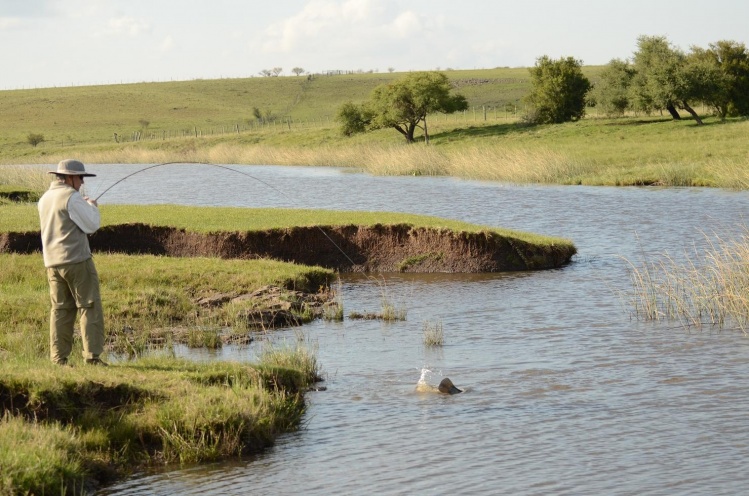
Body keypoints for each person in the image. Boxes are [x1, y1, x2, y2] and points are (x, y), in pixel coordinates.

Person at [38, 159, 107, 366]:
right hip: (76, 260)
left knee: (60, 310)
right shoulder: (71, 197)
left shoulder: (45, 198)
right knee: (89, 305)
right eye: (80, 178)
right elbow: (92, 225)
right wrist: (91, 206)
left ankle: (58, 359)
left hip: (52, 262)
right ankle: (92, 357)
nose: (81, 182)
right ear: (69, 178)